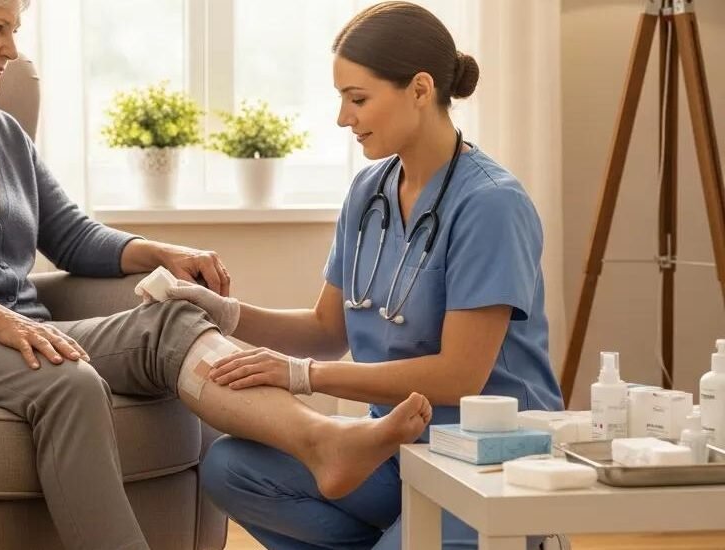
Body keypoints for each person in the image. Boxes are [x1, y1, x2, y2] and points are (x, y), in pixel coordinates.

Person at [0, 1, 433, 548]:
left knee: (173, 321)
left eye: (16, 29)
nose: (13, 47)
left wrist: (162, 252)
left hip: (35, 333)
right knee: (72, 383)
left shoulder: (2, 132)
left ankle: (319, 440)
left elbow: (71, 236)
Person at [161, 2, 564, 549]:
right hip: (396, 450)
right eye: (341, 99)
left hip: (488, 459)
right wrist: (225, 313)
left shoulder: (492, 204)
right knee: (230, 467)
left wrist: (301, 376)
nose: (342, 118)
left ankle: (529, 539)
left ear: (420, 90)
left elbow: (458, 376)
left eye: (358, 99)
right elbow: (329, 331)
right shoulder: (369, 190)